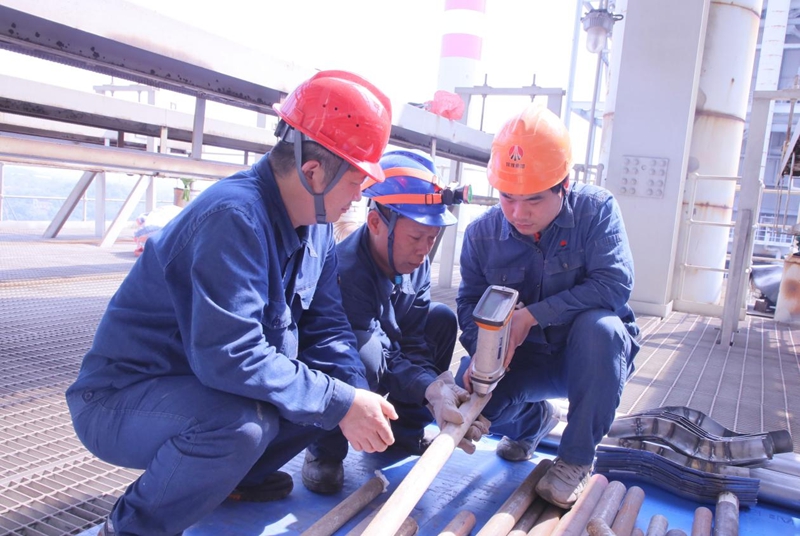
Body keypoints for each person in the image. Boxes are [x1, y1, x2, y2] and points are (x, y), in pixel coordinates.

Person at [65, 70, 399, 536]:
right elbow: (230, 356)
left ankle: (233, 479)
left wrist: (355, 397)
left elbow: (328, 329)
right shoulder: (234, 217)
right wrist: (341, 403)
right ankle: (128, 529)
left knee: (333, 390)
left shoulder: (318, 229)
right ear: (314, 172)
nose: (359, 197)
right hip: (122, 400)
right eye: (357, 181)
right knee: (243, 425)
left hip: (202, 388)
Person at [455, 103, 640, 510]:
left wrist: (531, 316)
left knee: (602, 329)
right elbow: (469, 302)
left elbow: (614, 285)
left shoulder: (597, 212)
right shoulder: (481, 235)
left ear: (564, 185)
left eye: (534, 200)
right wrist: (484, 353)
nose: (518, 213)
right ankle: (533, 423)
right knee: (469, 391)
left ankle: (575, 459)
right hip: (524, 362)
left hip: (588, 360)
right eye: (507, 198)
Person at [301, 150, 489, 494]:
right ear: (375, 223)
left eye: (432, 238)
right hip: (353, 360)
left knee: (441, 319)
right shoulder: (346, 270)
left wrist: (438, 392)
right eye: (416, 238)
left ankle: (406, 431)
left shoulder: (417, 264)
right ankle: (325, 449)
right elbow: (376, 355)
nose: (424, 249)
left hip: (384, 350)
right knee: (364, 355)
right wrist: (428, 387)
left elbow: (413, 341)